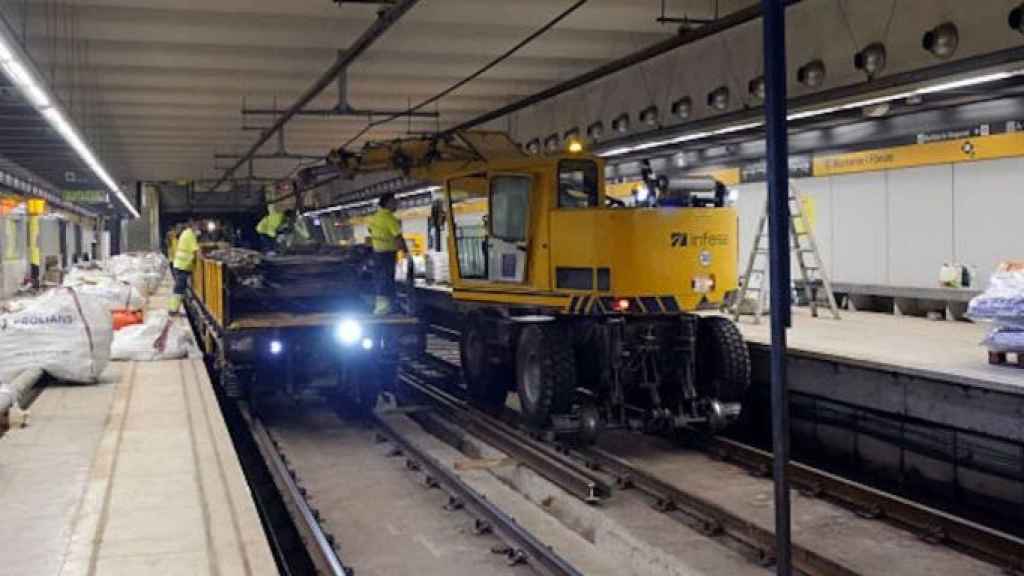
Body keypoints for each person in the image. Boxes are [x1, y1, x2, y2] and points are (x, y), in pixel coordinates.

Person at [369, 193, 408, 315]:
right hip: (387, 254)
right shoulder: (389, 218)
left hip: (377, 253)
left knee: (380, 279)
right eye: (394, 202)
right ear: (387, 203)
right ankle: (386, 308)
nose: (396, 204)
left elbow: (370, 230)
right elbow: (398, 237)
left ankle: (381, 307)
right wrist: (406, 252)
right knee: (388, 280)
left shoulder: (374, 217)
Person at [169, 220, 200, 315]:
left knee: (179, 288)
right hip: (182, 266)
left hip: (181, 265)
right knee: (179, 288)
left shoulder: (186, 233)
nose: (198, 229)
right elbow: (196, 251)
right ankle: (173, 309)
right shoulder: (190, 235)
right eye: (197, 226)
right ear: (193, 226)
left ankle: (174, 308)